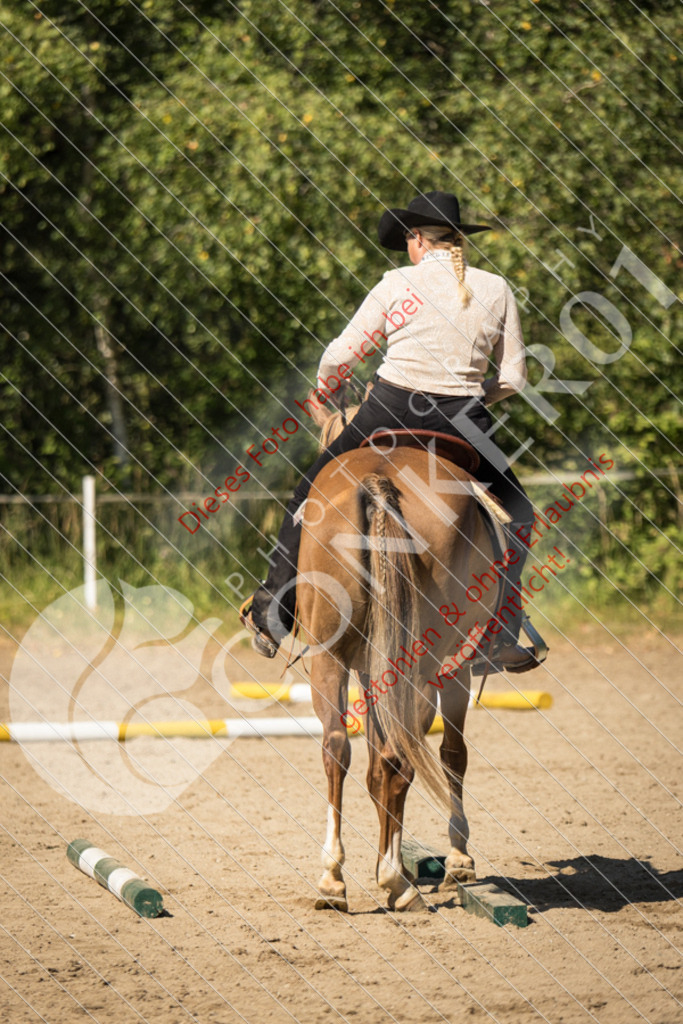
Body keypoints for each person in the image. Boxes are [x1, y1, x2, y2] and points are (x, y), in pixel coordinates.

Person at [241, 190, 537, 670]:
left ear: (417, 239)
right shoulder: (496, 287)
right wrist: (474, 395)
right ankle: (500, 632)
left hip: (389, 409)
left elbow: (340, 356)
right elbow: (515, 378)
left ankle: (273, 611)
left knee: (306, 496)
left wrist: (326, 386)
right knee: (521, 517)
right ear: (458, 239)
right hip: (463, 421)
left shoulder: (396, 283)